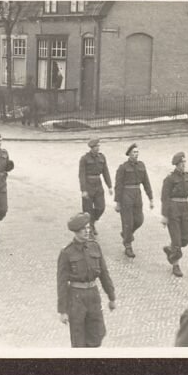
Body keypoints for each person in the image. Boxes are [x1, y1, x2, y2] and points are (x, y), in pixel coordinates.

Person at [57, 212, 116, 348]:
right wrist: (63, 310)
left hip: (93, 296)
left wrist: (111, 297)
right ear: (76, 232)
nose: (87, 231)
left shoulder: (95, 247)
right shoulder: (67, 253)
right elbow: (61, 283)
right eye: (83, 229)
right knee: (79, 340)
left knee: (97, 335)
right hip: (76, 299)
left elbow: (104, 274)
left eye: (88, 228)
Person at [114, 143, 154, 258]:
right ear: (129, 154)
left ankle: (126, 234)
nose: (136, 154)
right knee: (128, 222)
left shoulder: (141, 166)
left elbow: (146, 182)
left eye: (137, 152)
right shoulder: (123, 168)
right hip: (126, 196)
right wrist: (118, 202)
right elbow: (118, 185)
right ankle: (128, 245)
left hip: (137, 195)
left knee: (139, 220)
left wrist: (150, 198)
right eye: (134, 152)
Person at [78, 138, 113, 237]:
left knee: (101, 207)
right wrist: (83, 190)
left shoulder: (102, 157)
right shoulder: (84, 159)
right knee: (87, 210)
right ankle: (89, 230)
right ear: (92, 148)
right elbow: (81, 175)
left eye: (98, 146)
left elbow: (105, 172)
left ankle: (92, 223)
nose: (98, 148)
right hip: (88, 186)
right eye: (96, 146)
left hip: (98, 185)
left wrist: (109, 186)